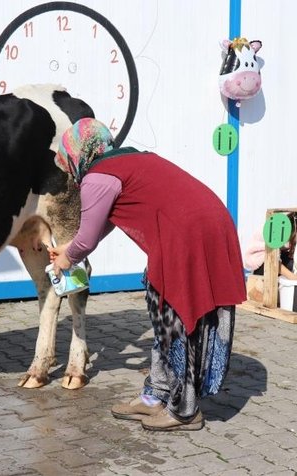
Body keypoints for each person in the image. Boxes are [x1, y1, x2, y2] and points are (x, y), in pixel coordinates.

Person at [48, 118, 246, 432]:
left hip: (189, 235)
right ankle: (156, 395)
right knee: (162, 312)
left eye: (65, 158)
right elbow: (101, 225)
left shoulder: (98, 178)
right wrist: (70, 248)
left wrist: (66, 258)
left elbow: (86, 239)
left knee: (180, 319)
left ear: (78, 153)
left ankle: (185, 411)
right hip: (202, 226)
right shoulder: (127, 161)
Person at [243, 212, 297, 301]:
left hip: (274, 257)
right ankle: (267, 294)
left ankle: (281, 292)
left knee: (291, 262)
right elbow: (272, 259)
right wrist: (291, 276)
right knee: (270, 271)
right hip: (261, 259)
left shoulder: (290, 230)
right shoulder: (278, 230)